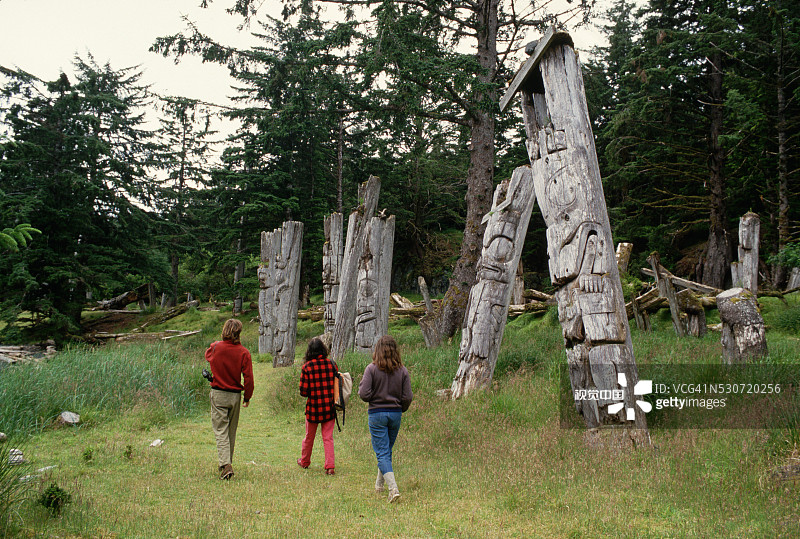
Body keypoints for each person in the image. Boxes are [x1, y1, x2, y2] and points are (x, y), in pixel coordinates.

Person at [358, 335, 413, 503]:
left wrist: (375, 397)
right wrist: (400, 408)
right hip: (395, 414)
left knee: (382, 451)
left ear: (377, 350)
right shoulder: (402, 370)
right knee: (386, 450)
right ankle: (379, 485)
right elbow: (408, 396)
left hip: (377, 414)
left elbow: (363, 393)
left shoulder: (371, 369)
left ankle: (393, 488)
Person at [205, 318, 254, 480]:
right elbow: (248, 379)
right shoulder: (244, 352)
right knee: (231, 431)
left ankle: (226, 465)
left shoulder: (216, 347)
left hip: (218, 393)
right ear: (239, 332)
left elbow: (207, 355)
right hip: (235, 396)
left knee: (220, 429)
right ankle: (227, 463)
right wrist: (247, 396)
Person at [298, 337, 338, 475]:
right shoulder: (332, 364)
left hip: (313, 408)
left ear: (309, 352)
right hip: (329, 407)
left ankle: (304, 461)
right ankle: (330, 466)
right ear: (323, 349)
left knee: (309, 436)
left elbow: (303, 392)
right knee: (328, 437)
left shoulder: (307, 367)